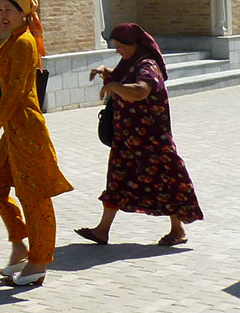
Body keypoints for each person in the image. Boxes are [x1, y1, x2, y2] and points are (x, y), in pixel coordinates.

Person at [0, 0, 72, 287]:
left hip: (27, 128)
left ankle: (39, 261)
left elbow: (15, 93)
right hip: (14, 129)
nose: (2, 15)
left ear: (24, 14)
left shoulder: (25, 42)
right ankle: (20, 246)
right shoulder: (14, 40)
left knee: (34, 196)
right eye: (0, 9)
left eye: (9, 10)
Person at [76, 22, 203, 247]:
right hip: (127, 139)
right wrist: (107, 73)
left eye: (120, 46)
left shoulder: (147, 65)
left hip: (152, 141)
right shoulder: (130, 63)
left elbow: (140, 91)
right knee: (116, 180)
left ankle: (177, 229)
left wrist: (114, 86)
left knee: (166, 182)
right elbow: (121, 79)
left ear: (134, 44)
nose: (118, 50)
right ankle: (102, 230)